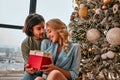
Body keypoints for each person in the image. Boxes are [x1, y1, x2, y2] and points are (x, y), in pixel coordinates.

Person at [21, 13, 45, 80]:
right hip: (35, 72)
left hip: (49, 70)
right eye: (39, 28)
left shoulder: (49, 37)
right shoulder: (25, 44)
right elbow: (27, 63)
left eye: (43, 27)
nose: (43, 31)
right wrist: (28, 68)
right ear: (31, 30)